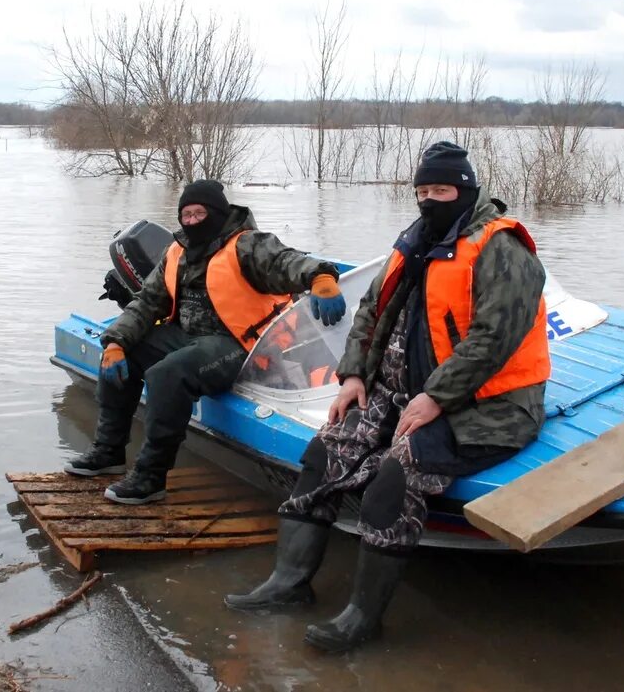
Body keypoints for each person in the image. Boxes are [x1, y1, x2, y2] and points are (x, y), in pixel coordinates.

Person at [225, 141, 550, 653]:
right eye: (421, 190)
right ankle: (288, 584)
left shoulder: (502, 250)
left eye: (440, 190)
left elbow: (494, 339)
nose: (428, 199)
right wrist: (353, 374)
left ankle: (362, 617)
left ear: (465, 190)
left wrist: (437, 398)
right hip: (396, 393)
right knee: (323, 453)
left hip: (487, 406)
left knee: (394, 477)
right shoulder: (414, 242)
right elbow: (371, 310)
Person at [65, 179, 348, 504]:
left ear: (217, 213)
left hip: (240, 346)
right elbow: (146, 303)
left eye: (200, 213)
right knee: (123, 352)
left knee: (168, 374)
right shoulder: (176, 251)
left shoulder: (249, 245)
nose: (192, 220)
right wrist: (114, 342)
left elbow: (288, 261)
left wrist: (322, 278)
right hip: (188, 336)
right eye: (186, 214)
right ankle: (108, 452)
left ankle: (151, 477)